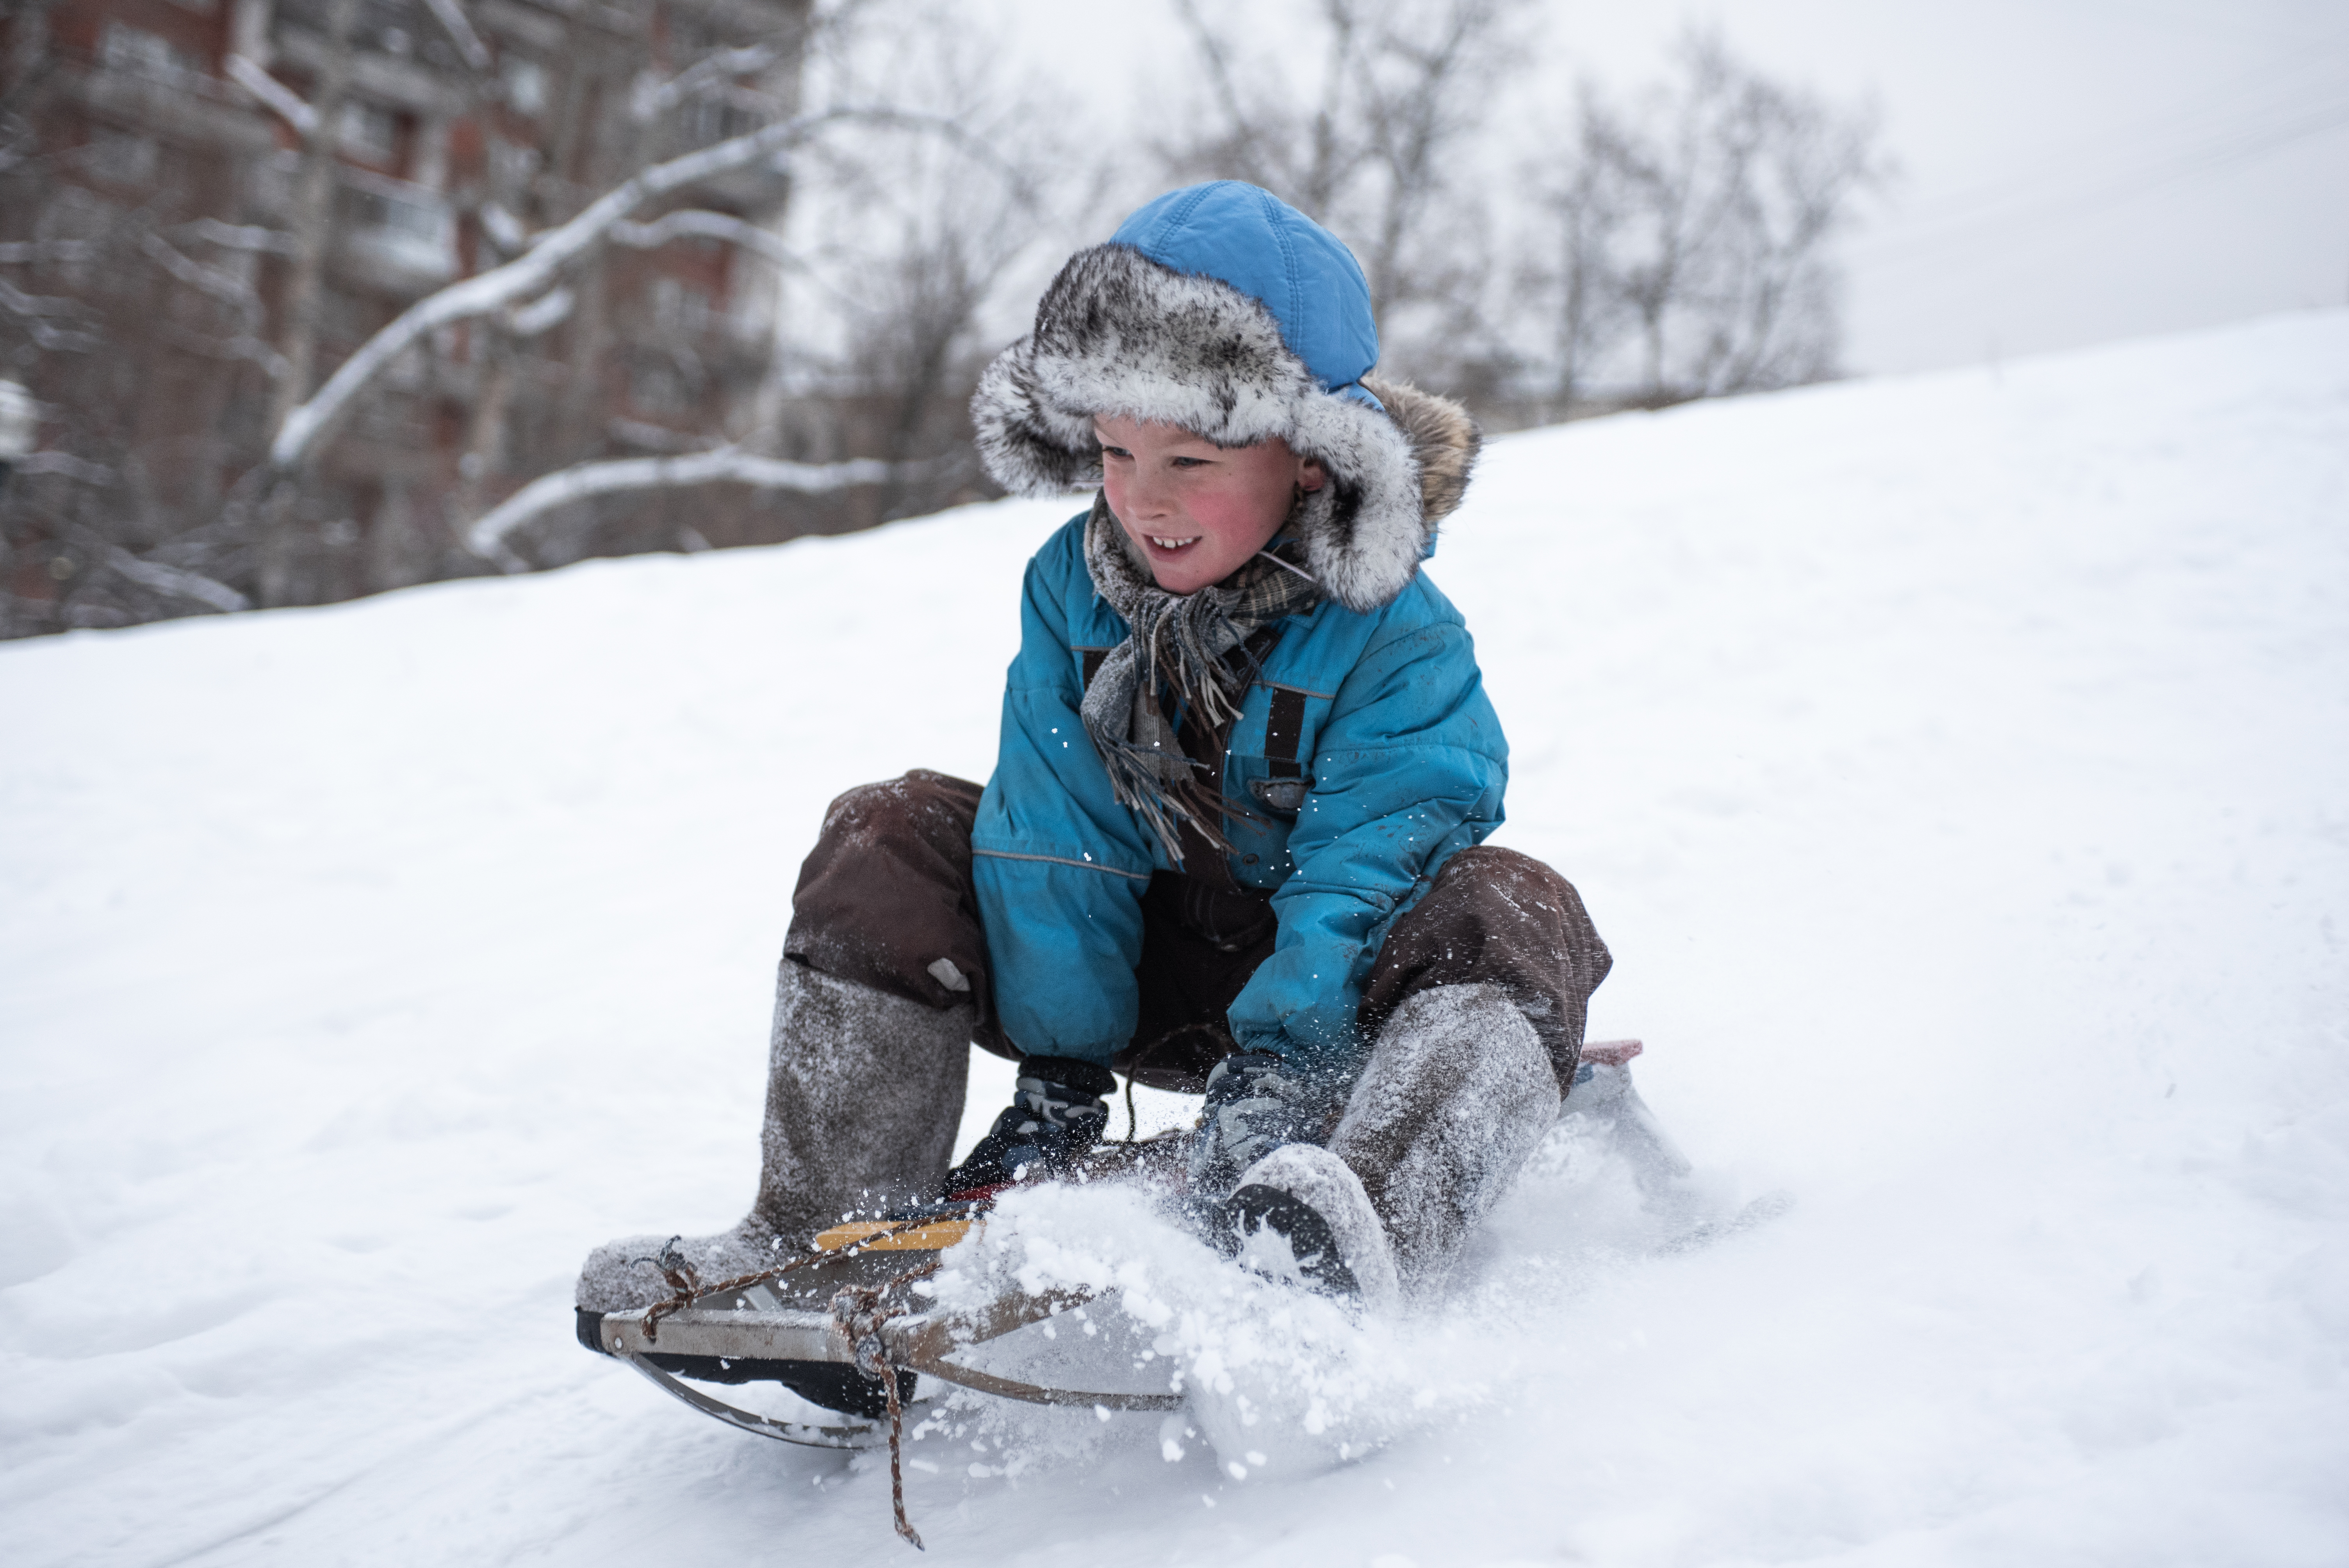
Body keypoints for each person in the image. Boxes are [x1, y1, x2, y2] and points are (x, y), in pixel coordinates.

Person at [576, 182, 1610, 1324]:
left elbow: (1370, 865)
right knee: (889, 831)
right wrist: (1062, 1081)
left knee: (1513, 909)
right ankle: (822, 1240)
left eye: (1191, 463)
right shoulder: (1075, 587)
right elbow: (1053, 823)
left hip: (1326, 1007)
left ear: (1310, 460)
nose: (1142, 501)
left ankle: (1353, 1244)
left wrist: (1279, 1083)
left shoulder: (1395, 632)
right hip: (1138, 974)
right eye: (1116, 454)